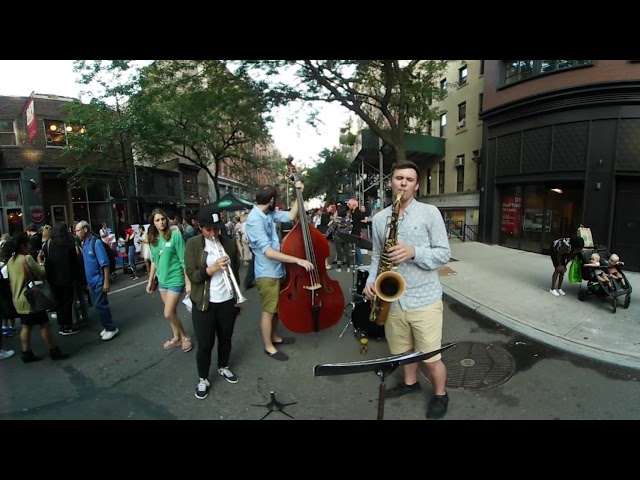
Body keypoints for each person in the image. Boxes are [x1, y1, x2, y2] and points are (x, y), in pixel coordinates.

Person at [362, 160, 451, 420]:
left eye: (409, 179)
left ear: (417, 185)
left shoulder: (430, 213)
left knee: (430, 356)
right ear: (391, 182)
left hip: (424, 298)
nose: (403, 183)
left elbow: (444, 254)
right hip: (393, 301)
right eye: (399, 178)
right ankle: (410, 384)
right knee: (402, 351)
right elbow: (377, 255)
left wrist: (413, 252)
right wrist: (370, 280)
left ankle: (440, 394)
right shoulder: (380, 219)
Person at [245, 183, 314, 361]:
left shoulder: (267, 213)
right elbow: (268, 252)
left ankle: (274, 337)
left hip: (277, 270)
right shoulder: (254, 220)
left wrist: (300, 191)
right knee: (268, 311)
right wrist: (297, 260)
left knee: (276, 308)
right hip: (267, 273)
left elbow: (291, 215)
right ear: (272, 200)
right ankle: (269, 347)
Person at [184, 205, 242, 400]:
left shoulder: (229, 243)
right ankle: (203, 378)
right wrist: (212, 269)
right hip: (204, 303)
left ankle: (223, 366)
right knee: (205, 344)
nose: (214, 233)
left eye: (216, 228)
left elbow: (236, 272)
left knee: (226, 338)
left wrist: (237, 299)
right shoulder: (193, 244)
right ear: (199, 227)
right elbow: (192, 274)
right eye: (209, 229)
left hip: (226, 300)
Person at [5, 232, 69, 362]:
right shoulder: (26, 258)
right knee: (45, 325)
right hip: (31, 299)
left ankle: (26, 352)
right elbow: (41, 273)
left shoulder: (11, 261)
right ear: (23, 246)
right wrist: (40, 261)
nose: (29, 246)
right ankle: (54, 350)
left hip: (18, 299)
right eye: (27, 244)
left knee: (26, 326)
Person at [145, 208, 192, 353]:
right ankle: (176, 338)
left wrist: (188, 283)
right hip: (162, 281)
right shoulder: (153, 239)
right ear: (153, 223)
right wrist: (150, 280)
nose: (161, 222)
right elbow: (154, 260)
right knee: (171, 313)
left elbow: (184, 260)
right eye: (157, 220)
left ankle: (185, 337)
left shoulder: (175, 236)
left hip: (175, 279)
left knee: (168, 313)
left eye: (163, 219)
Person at [76, 220, 119, 341]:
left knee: (101, 305)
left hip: (99, 280)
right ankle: (106, 326)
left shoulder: (96, 243)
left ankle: (111, 328)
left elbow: (105, 264)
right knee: (97, 305)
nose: (77, 233)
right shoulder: (84, 243)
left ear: (85, 230)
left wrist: (106, 281)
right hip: (91, 282)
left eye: (78, 230)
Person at [43, 222, 82, 336]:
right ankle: (68, 325)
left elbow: (46, 261)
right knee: (67, 302)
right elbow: (74, 263)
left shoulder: (49, 244)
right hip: (67, 278)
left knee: (58, 302)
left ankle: (62, 324)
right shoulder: (69, 244)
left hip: (53, 278)